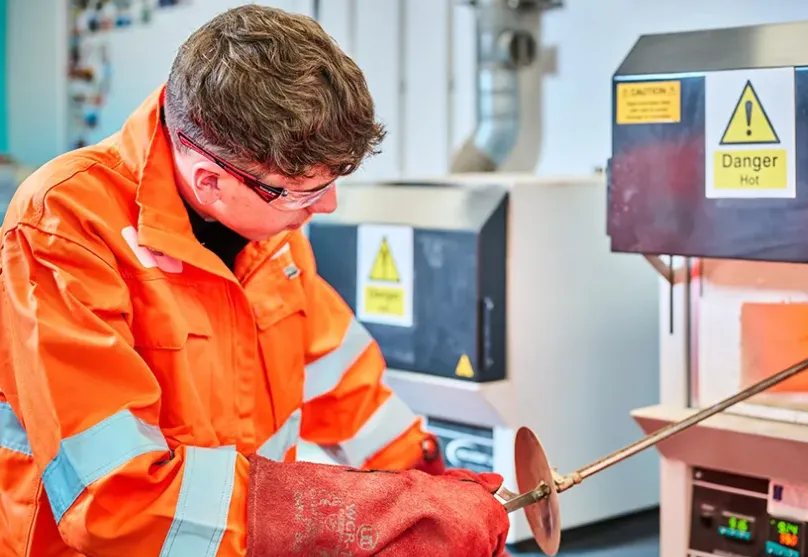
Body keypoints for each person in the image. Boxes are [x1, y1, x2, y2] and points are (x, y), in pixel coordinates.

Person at [0, 5, 510, 556]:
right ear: (210, 181)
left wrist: (433, 487)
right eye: (307, 191)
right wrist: (367, 513)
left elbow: (344, 389)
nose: (328, 207)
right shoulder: (63, 226)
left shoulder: (272, 236)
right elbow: (115, 501)